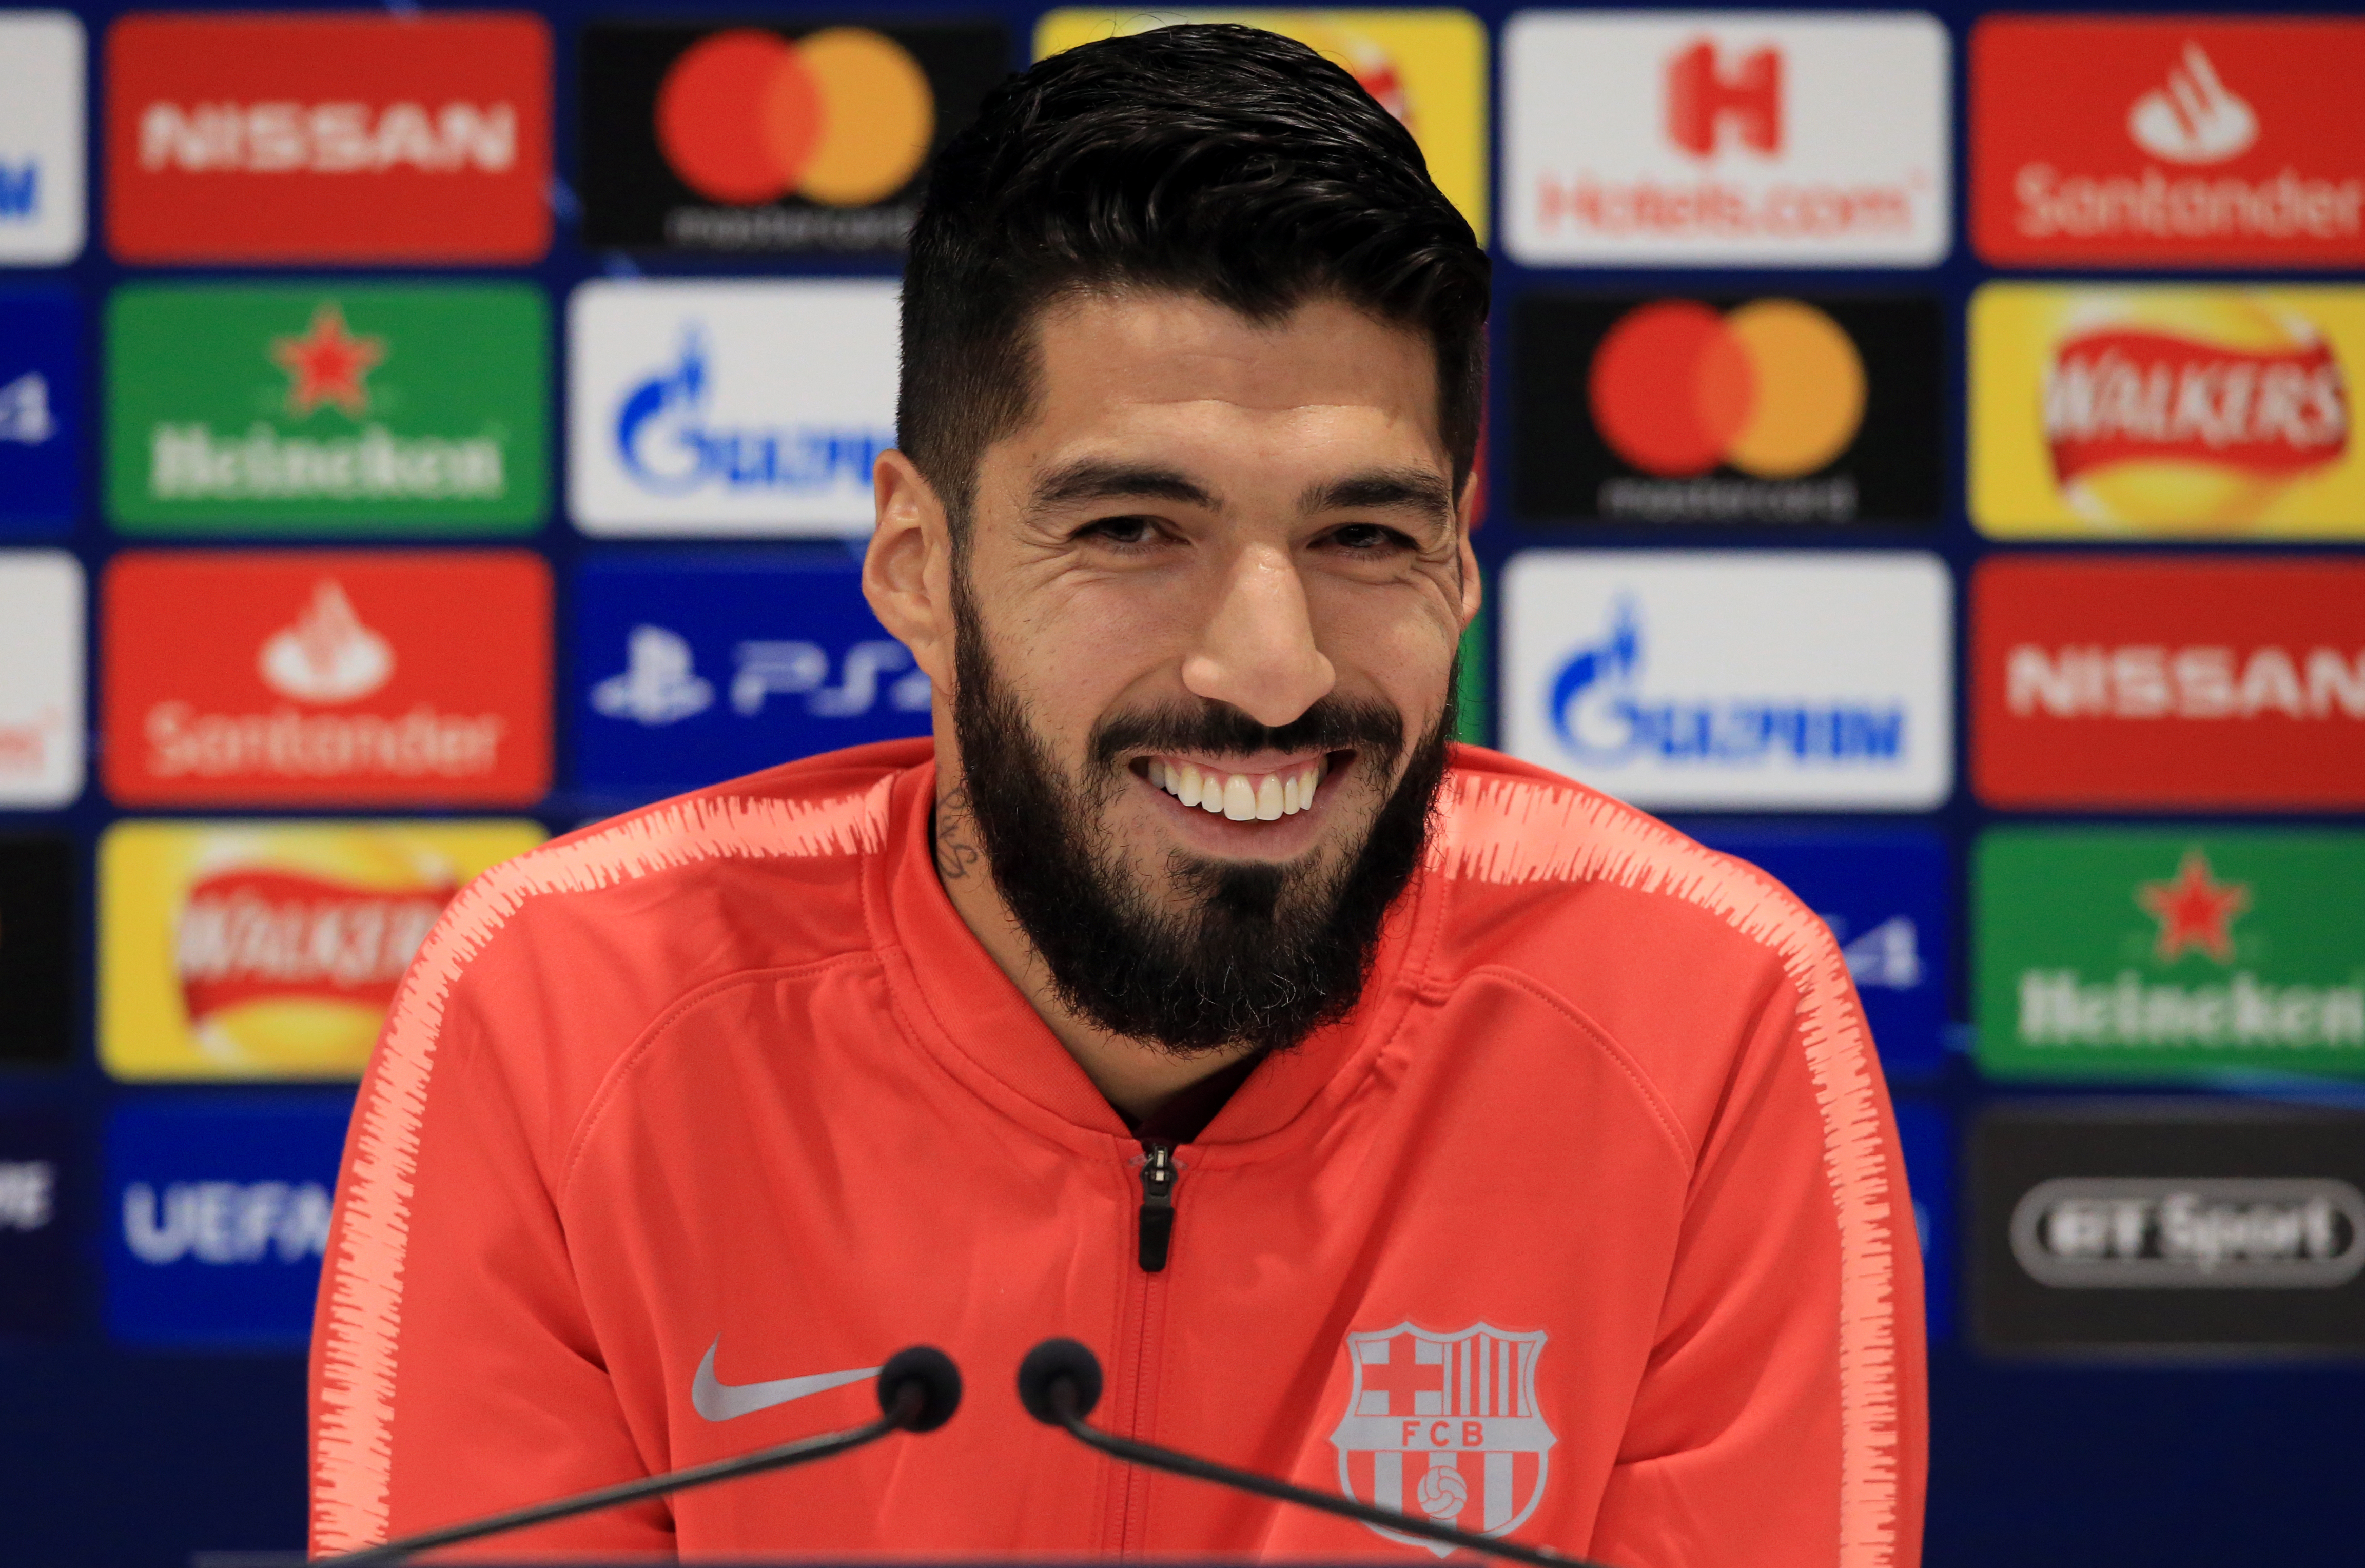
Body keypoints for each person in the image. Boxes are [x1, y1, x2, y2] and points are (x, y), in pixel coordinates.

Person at [309, 25, 1925, 1566]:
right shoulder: (563, 1011)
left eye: (1366, 536)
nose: (1271, 668)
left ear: (1461, 563)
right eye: (1134, 530)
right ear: (919, 570)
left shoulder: (1705, 1013)